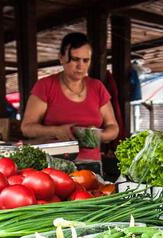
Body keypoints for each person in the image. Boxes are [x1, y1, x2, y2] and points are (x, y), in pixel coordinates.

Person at [20, 32, 119, 161]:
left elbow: (113, 127)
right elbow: (26, 128)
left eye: (86, 60)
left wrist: (97, 136)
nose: (81, 66)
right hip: (54, 164)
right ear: (61, 58)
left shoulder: (97, 87)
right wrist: (55, 131)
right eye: (75, 59)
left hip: (91, 165)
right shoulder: (45, 86)